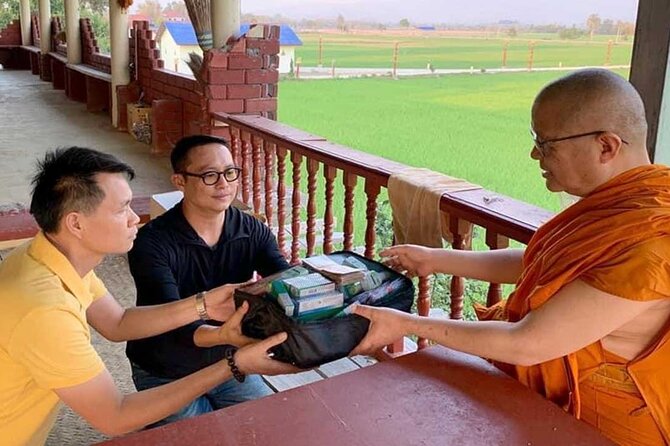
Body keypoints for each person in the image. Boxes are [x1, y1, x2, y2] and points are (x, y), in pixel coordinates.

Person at [352, 69, 670, 445]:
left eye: (547, 143)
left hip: (597, 424)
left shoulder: (650, 241)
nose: (535, 154)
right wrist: (436, 258)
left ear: (606, 147)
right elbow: (540, 261)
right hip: (533, 404)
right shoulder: (620, 205)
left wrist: (406, 325)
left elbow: (529, 343)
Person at [0, 147, 296, 446]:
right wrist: (234, 365)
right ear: (76, 223)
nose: (134, 219)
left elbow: (116, 323)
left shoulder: (44, 257)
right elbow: (115, 416)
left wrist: (202, 305)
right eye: (122, 209)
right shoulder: (44, 309)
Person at [126, 135, 290, 426]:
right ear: (179, 181)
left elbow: (284, 280)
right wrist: (224, 336)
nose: (224, 184)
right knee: (203, 434)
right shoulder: (152, 243)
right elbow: (167, 324)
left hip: (226, 360)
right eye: (209, 175)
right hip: (164, 367)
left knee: (265, 425)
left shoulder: (251, 230)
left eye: (230, 172)